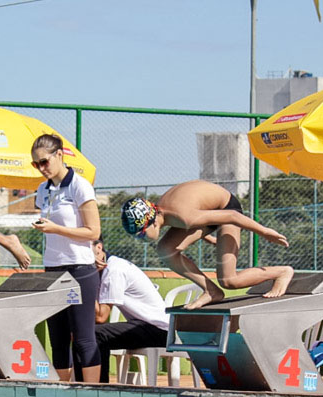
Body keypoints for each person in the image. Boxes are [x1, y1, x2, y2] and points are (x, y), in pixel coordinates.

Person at [119, 181, 293, 310]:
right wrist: (211, 238)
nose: (141, 239)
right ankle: (211, 291)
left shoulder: (183, 216)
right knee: (165, 249)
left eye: (141, 234)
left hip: (228, 209)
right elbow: (199, 215)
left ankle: (282, 272)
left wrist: (264, 232)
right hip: (210, 212)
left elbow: (231, 216)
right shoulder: (164, 211)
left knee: (229, 280)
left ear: (153, 222)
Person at [31, 134, 102, 383]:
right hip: (53, 269)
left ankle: (91, 395)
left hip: (79, 269)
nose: (41, 168)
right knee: (57, 339)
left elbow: (93, 232)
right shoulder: (43, 189)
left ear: (59, 155)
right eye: (35, 164)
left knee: (82, 338)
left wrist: (56, 229)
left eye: (44, 162)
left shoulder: (79, 186)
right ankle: (62, 392)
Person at [92, 240, 169, 384]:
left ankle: (98, 389)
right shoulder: (104, 270)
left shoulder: (114, 270)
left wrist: (83, 282)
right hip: (141, 325)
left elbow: (101, 316)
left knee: (95, 335)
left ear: (98, 247)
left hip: (158, 329)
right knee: (83, 334)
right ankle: (79, 384)